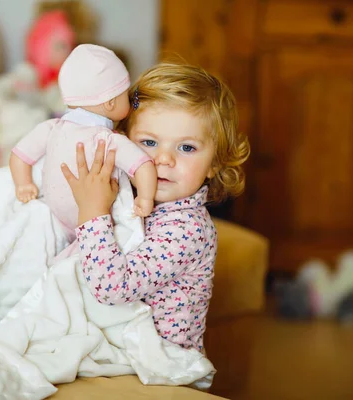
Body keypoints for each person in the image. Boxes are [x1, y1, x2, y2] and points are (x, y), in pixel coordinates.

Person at [61, 62, 250, 351]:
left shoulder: (188, 230)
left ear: (214, 163)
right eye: (149, 142)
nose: (163, 159)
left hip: (160, 364)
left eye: (186, 147)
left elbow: (113, 288)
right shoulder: (130, 195)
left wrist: (93, 213)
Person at [9, 44, 157, 241]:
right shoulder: (107, 140)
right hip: (97, 222)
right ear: (110, 102)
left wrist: (23, 185)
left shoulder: (52, 127)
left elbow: (19, 155)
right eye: (126, 95)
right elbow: (144, 166)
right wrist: (145, 198)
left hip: (56, 219)